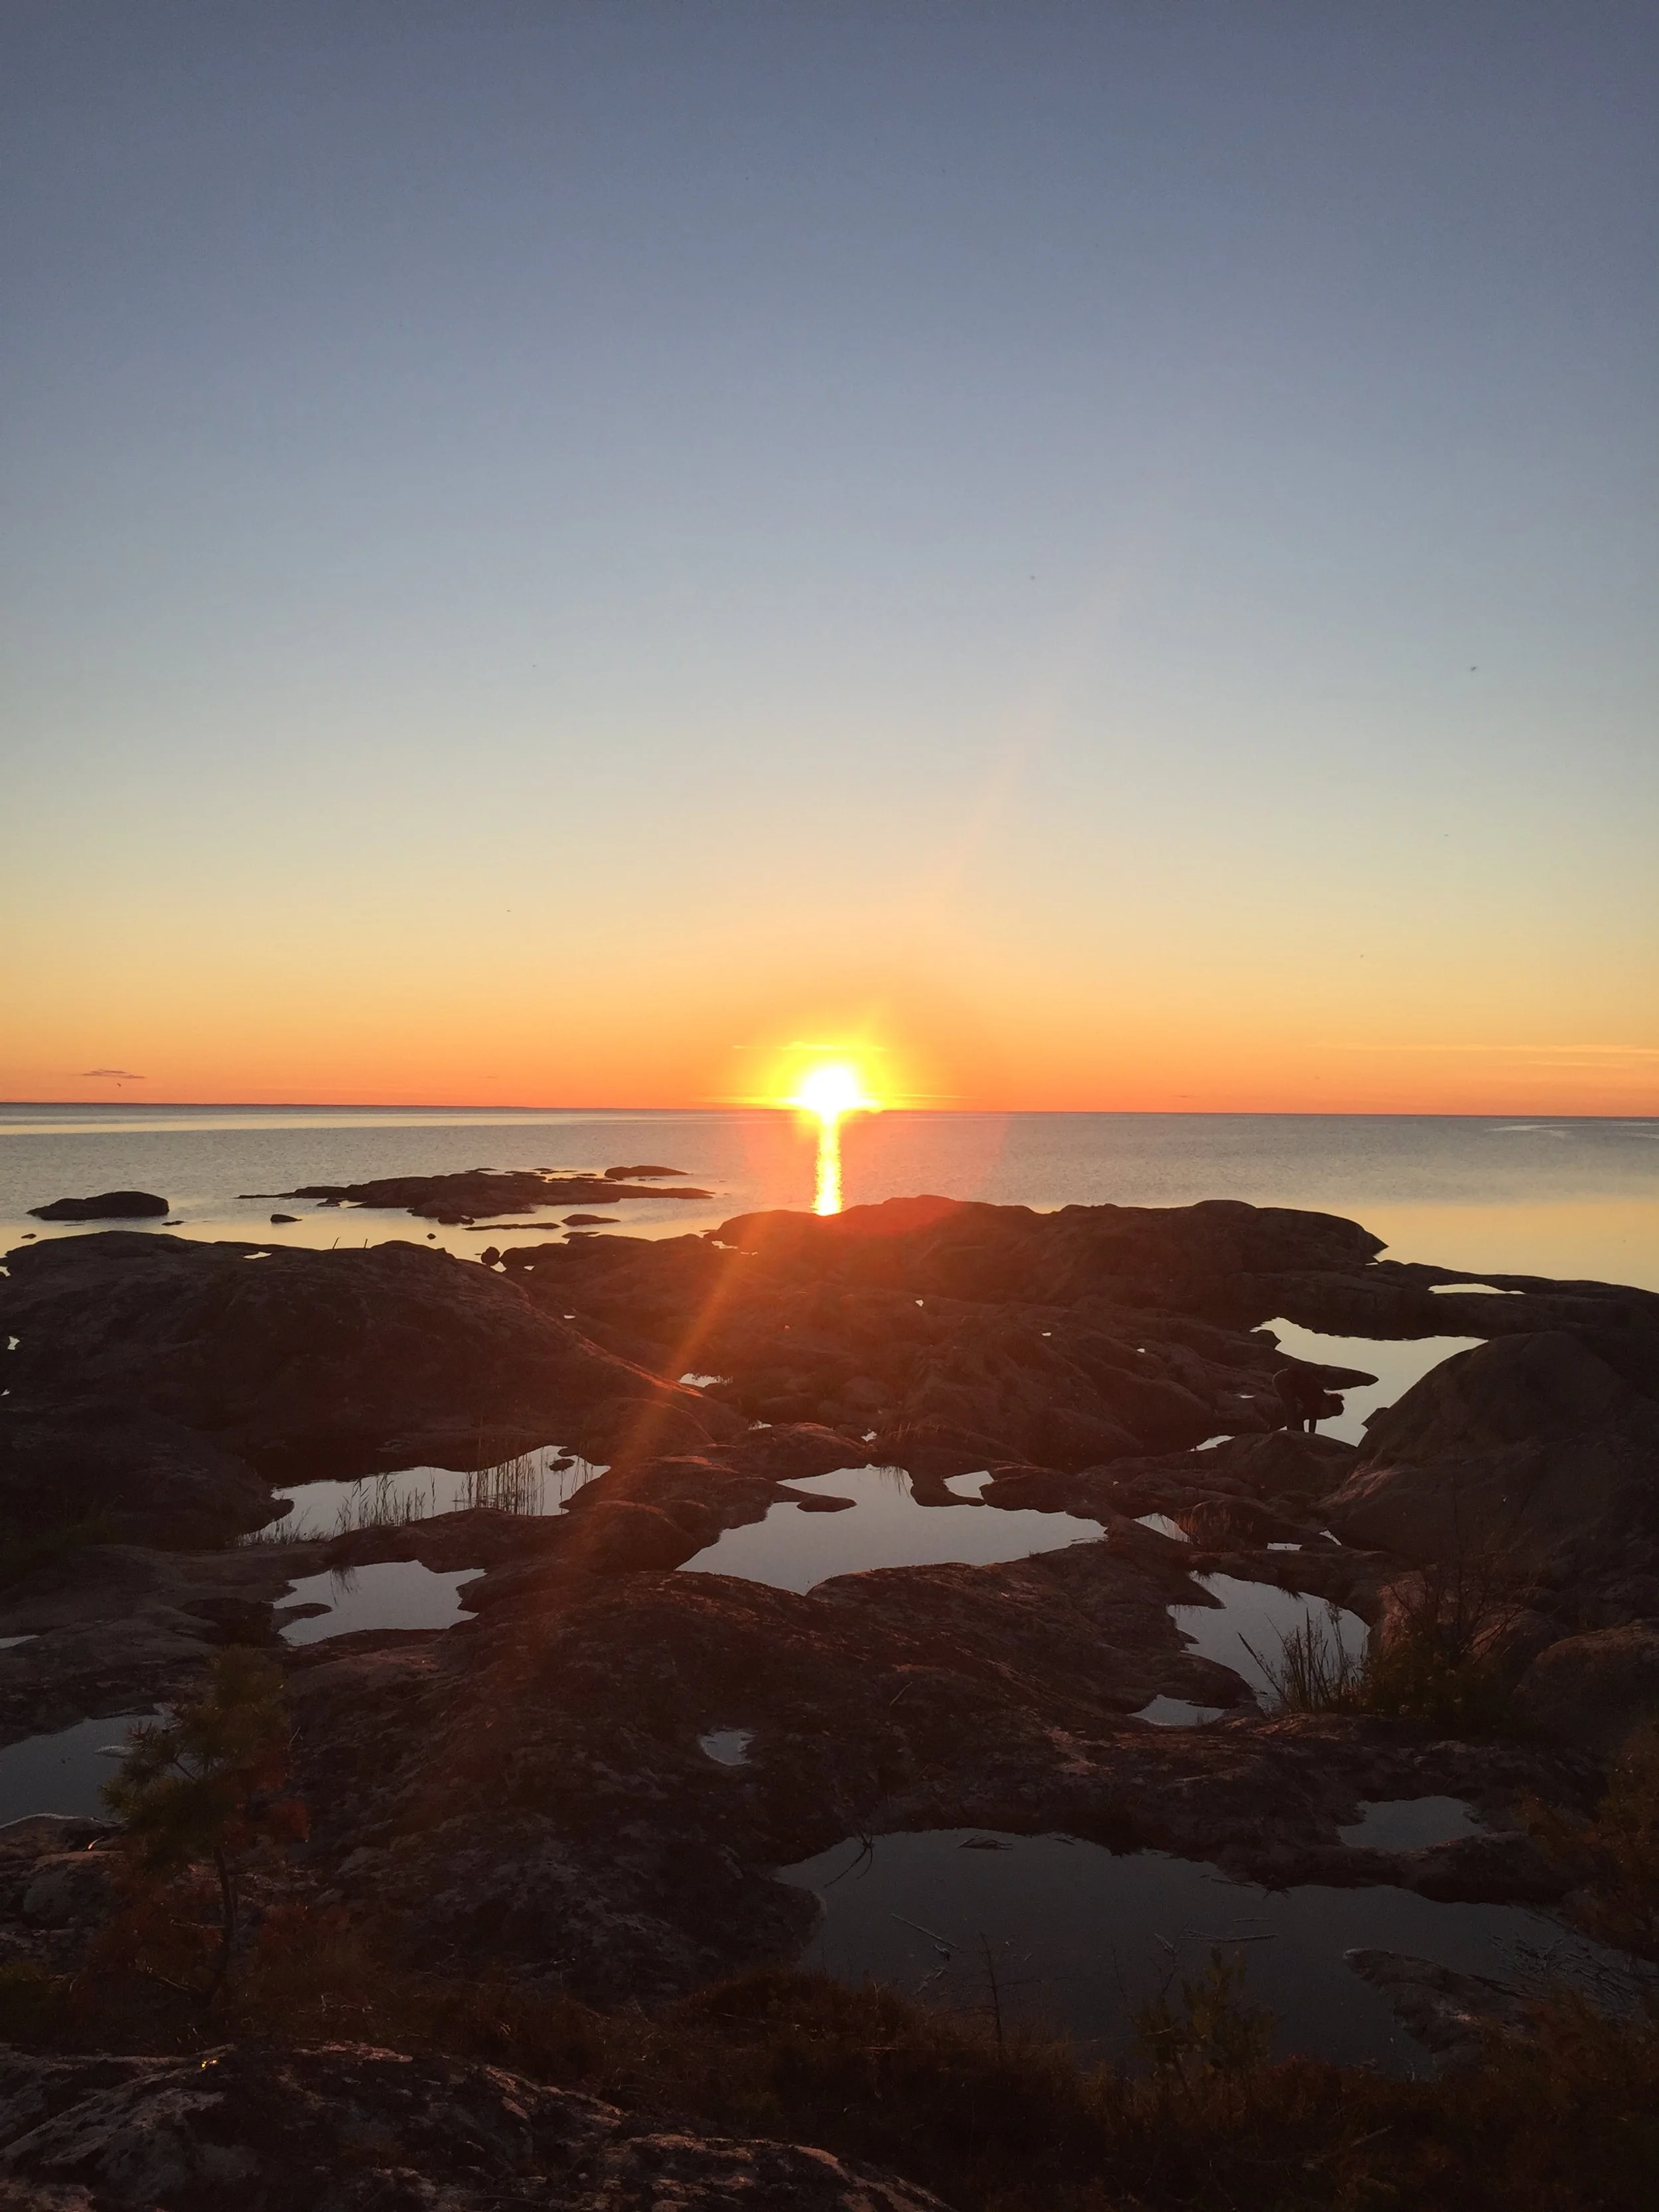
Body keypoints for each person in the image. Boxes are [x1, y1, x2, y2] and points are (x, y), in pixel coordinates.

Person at [1274, 1364, 1341, 1435]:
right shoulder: (1317, 1398)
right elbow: (1312, 1419)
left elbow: (1306, 1417)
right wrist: (1310, 1435)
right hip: (1283, 1380)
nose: (1326, 1416)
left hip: (1286, 1380)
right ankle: (1292, 1432)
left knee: (1293, 1410)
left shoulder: (1319, 1399)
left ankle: (1295, 1432)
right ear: (1329, 1405)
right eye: (1329, 1414)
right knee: (1291, 1407)